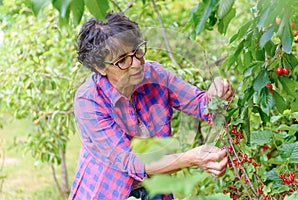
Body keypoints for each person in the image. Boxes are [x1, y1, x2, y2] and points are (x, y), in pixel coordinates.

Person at [68, 12, 235, 200]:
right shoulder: (89, 101)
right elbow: (131, 162)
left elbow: (201, 105)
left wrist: (217, 92)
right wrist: (192, 158)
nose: (137, 64)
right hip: (109, 191)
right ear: (100, 67)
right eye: (122, 60)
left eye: (137, 51)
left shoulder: (155, 75)